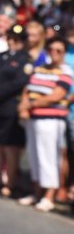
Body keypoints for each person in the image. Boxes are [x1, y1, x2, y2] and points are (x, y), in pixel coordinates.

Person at [18, 36, 73, 212]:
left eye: (59, 50)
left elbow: (56, 95)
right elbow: (28, 89)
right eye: (51, 50)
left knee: (49, 157)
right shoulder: (40, 68)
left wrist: (31, 104)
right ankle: (36, 192)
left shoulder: (66, 71)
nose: (54, 54)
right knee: (34, 155)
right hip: (34, 118)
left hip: (52, 119)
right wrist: (24, 106)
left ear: (64, 53)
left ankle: (49, 195)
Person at [0, 25, 31, 198]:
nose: (12, 42)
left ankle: (9, 182)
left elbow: (19, 82)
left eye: (16, 39)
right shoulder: (0, 57)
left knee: (10, 148)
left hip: (10, 106)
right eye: (10, 38)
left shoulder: (26, 60)